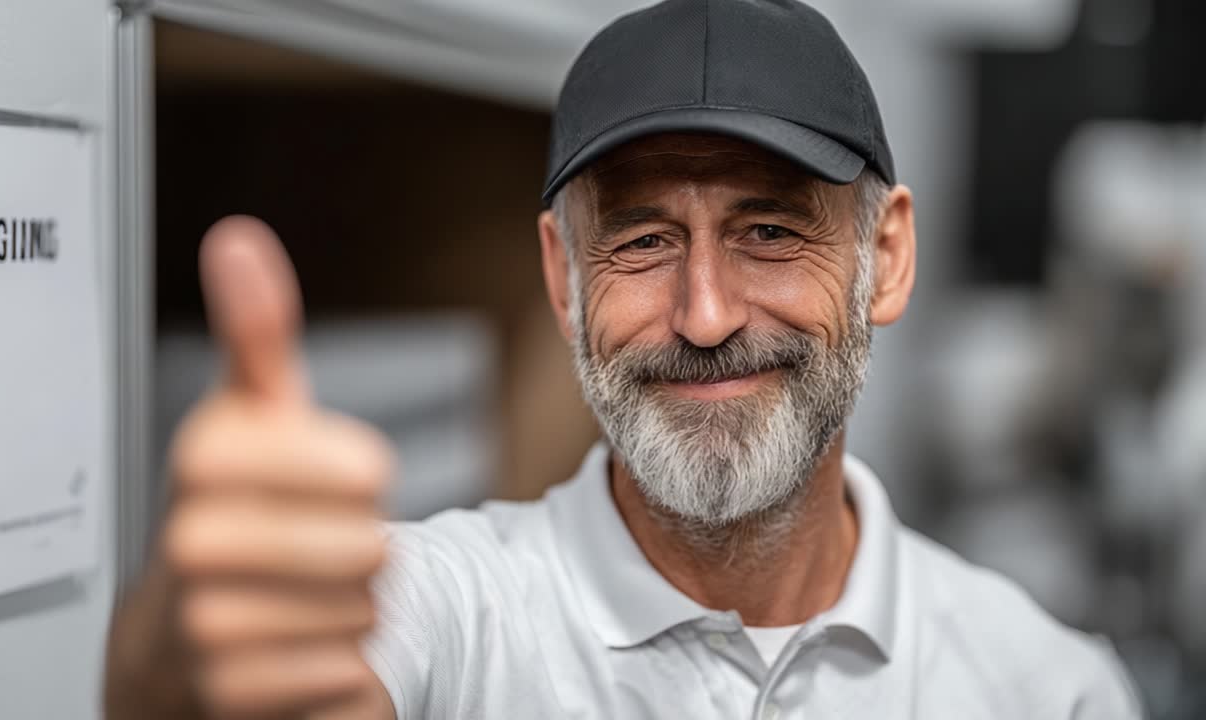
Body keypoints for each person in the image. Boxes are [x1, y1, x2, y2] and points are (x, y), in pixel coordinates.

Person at [105, 0, 1143, 717]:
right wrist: (183, 658)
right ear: (563, 278)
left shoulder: (1046, 690)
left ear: (886, 258)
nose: (703, 316)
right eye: (642, 241)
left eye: (769, 232)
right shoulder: (454, 619)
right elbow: (277, 684)